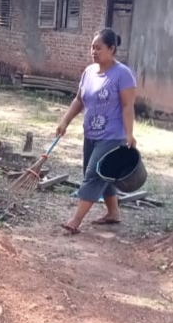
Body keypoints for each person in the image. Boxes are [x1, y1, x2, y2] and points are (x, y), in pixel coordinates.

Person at [56, 28, 137, 234]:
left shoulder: (123, 74)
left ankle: (75, 220)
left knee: (94, 174)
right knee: (103, 174)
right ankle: (113, 213)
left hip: (112, 136)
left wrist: (129, 134)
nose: (94, 51)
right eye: (92, 47)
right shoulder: (89, 72)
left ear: (111, 49)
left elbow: (128, 106)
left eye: (98, 48)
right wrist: (65, 121)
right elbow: (79, 100)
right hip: (90, 134)